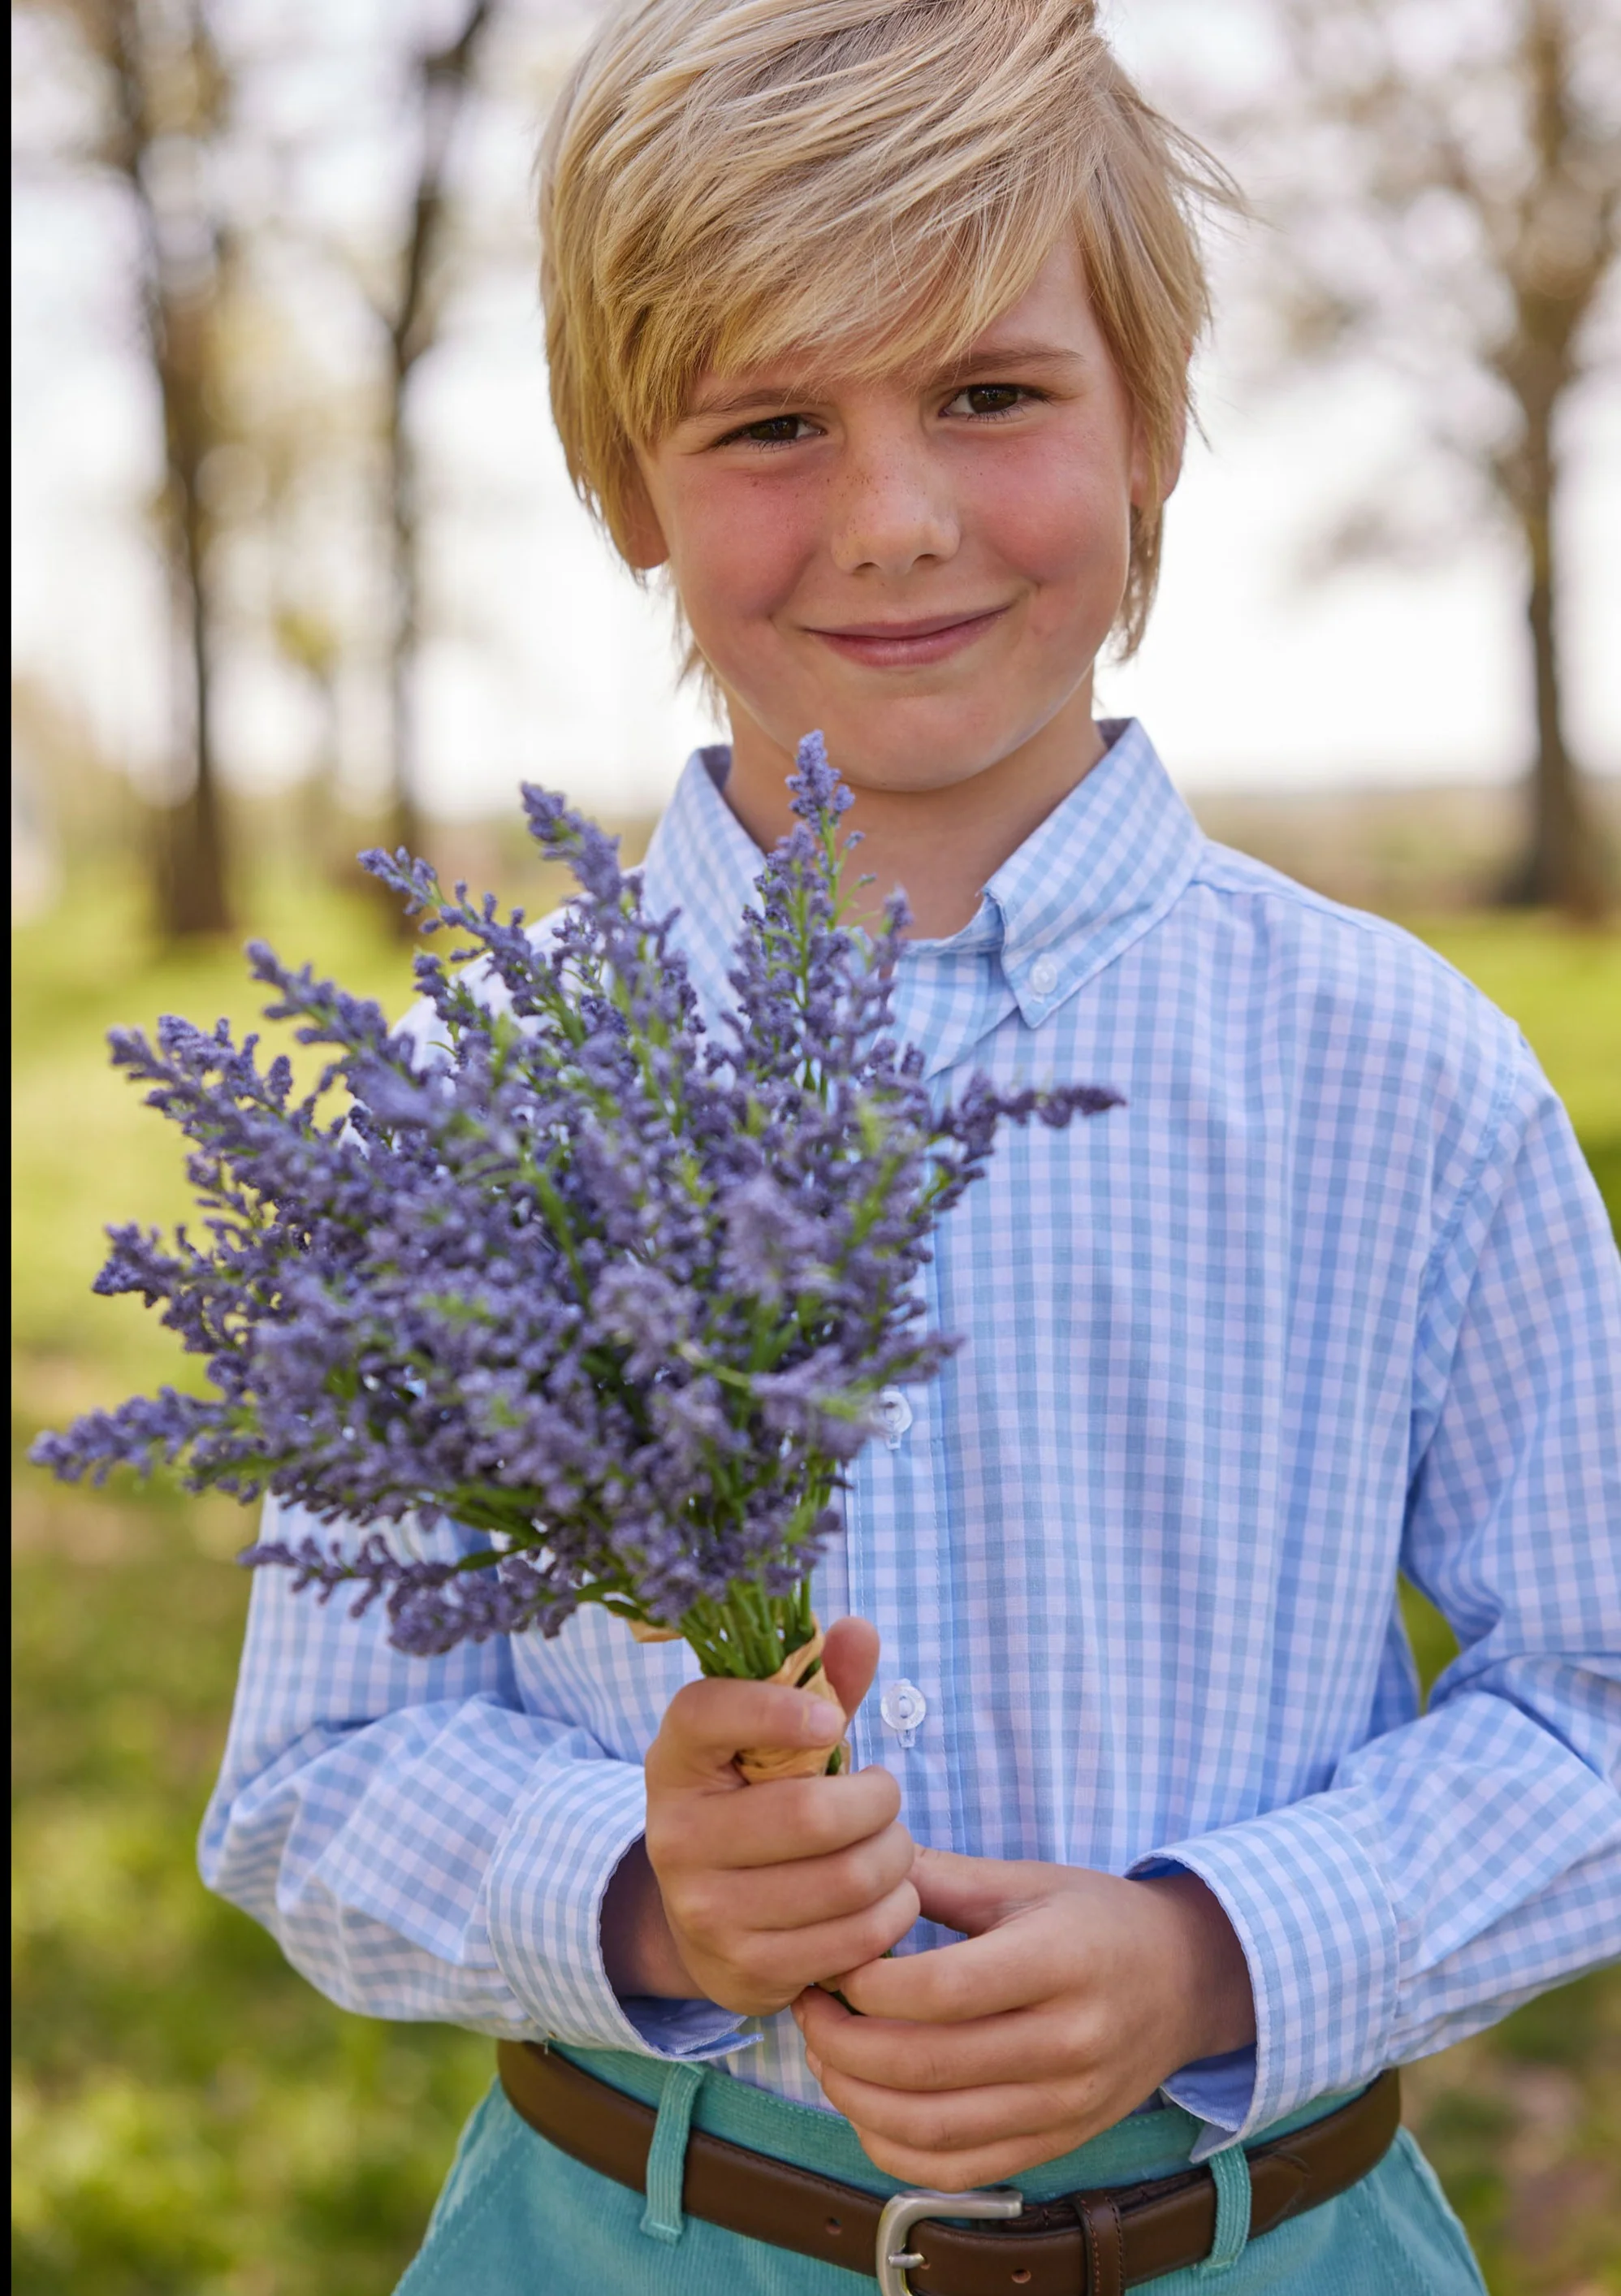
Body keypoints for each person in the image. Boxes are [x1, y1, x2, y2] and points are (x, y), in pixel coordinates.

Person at [201, 4, 1621, 2290]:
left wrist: (1219, 1953)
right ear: (629, 490)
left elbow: (1593, 1694)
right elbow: (315, 1778)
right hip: (630, 2234)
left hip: (1271, 2240)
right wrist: (639, 1892)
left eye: (989, 393)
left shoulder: (1405, 1080)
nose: (892, 520)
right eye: (771, 423)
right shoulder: (466, 1107)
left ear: (1151, 421)